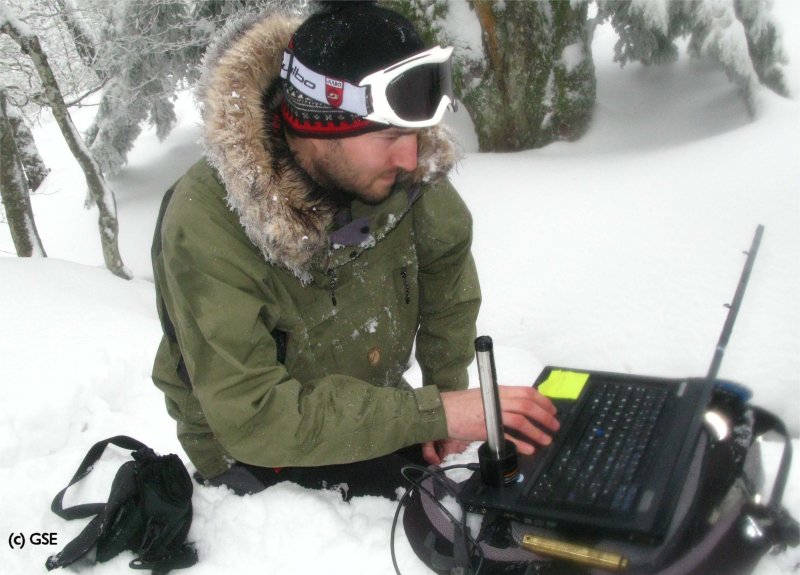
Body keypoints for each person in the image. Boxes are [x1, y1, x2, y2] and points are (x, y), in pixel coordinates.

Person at [151, 1, 558, 499]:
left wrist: (445, 394)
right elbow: (254, 417)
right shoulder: (208, 222)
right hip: (258, 460)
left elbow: (446, 275)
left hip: (375, 412)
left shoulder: (401, 172)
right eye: (388, 136)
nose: (410, 158)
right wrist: (437, 411)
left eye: (413, 135)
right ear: (317, 128)